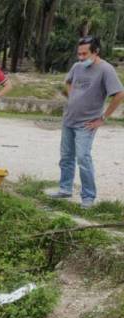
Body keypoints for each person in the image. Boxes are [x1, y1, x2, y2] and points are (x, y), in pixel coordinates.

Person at [49, 36, 124, 209]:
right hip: (69, 119)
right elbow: (68, 82)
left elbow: (119, 94)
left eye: (85, 54)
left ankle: (88, 196)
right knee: (66, 157)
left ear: (95, 52)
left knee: (83, 158)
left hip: (87, 124)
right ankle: (65, 188)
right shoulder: (77, 67)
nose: (81, 57)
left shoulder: (106, 69)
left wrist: (103, 118)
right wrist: (73, 97)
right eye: (79, 54)